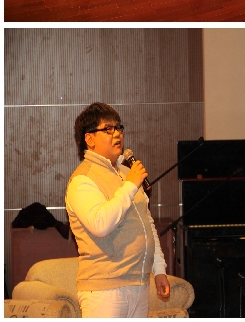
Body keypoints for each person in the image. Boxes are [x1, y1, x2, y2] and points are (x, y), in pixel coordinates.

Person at [66, 102, 169, 318]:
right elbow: (101, 225)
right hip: (105, 290)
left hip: (139, 284)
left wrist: (159, 269)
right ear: (89, 139)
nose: (117, 134)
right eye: (108, 129)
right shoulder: (83, 179)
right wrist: (130, 186)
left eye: (118, 127)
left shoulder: (126, 173)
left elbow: (147, 223)